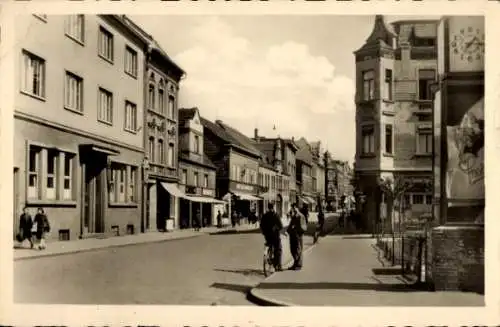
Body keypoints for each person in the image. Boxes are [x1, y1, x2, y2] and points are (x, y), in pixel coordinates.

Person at [260, 203, 284, 271]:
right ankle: (278, 266)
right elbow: (281, 226)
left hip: (267, 236)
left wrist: (264, 232)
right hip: (275, 236)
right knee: (278, 249)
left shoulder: (265, 215)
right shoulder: (275, 215)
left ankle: (266, 256)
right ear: (274, 207)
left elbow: (261, 225)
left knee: (267, 245)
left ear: (268, 208)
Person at [287, 203, 307, 270]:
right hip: (292, 235)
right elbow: (290, 225)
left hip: (298, 236)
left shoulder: (301, 216)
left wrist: (296, 228)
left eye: (293, 208)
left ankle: (299, 265)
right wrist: (289, 230)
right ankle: (295, 264)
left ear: (296, 208)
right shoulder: (294, 216)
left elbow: (304, 227)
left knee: (298, 250)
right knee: (293, 250)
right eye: (292, 208)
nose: (292, 209)